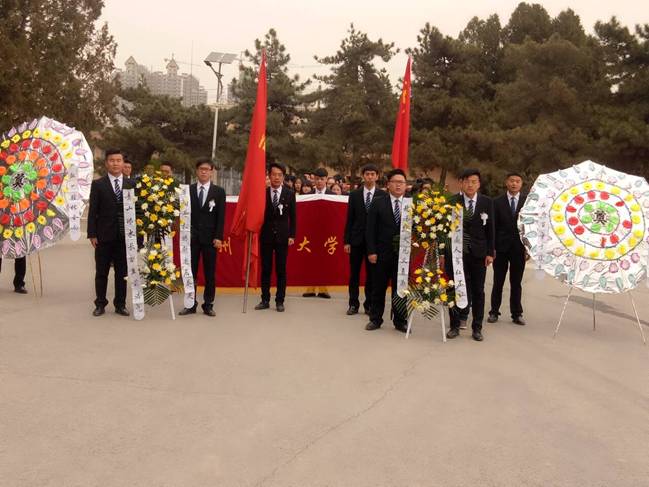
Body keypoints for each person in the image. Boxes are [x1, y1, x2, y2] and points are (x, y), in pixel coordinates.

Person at [444, 168, 495, 341]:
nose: (470, 185)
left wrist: (490, 252)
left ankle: (477, 328)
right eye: (467, 181)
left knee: (478, 291)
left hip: (479, 254)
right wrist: (443, 254)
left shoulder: (487, 202)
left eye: (474, 181)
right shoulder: (452, 202)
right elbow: (444, 230)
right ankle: (454, 325)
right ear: (461, 183)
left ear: (479, 184)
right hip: (456, 254)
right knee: (454, 288)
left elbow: (491, 229)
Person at [87, 149, 134, 317]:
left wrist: (137, 237)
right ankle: (100, 304)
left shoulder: (131, 184)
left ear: (123, 163)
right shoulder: (98, 184)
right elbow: (93, 211)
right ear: (106, 163)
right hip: (103, 236)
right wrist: (92, 234)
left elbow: (137, 212)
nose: (115, 163)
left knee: (122, 273)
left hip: (124, 236)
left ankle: (120, 304)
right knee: (101, 272)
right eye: (112, 160)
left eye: (118, 160)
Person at [179, 159, 226, 317]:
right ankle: (190, 304)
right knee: (190, 273)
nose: (204, 172)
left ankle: (208, 304)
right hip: (191, 239)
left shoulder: (218, 192)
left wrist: (218, 237)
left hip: (210, 239)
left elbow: (221, 217)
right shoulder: (188, 190)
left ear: (211, 172)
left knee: (209, 273)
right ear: (196, 171)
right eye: (201, 169)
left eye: (207, 169)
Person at [365, 168, 409, 332]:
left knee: (401, 289)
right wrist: (371, 251)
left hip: (403, 255)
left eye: (401, 182)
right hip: (381, 253)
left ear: (406, 185)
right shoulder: (378, 202)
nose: (398, 185)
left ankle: (400, 320)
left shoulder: (411, 204)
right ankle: (375, 319)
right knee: (378, 288)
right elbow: (370, 229)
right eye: (395, 182)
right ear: (388, 184)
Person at [255, 163, 296, 312]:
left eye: (279, 175)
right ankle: (265, 299)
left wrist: (292, 235)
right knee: (266, 269)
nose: (276, 177)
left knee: (281, 269)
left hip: (282, 237)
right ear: (269, 176)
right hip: (266, 236)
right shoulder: (263, 193)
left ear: (283, 177)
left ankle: (280, 300)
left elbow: (293, 217)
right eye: (274, 174)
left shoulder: (289, 194)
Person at [344, 164, 385, 316]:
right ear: (363, 176)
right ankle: (353, 304)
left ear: (377, 176)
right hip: (356, 240)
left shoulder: (382, 195)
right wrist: (346, 241)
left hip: (373, 243)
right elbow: (349, 219)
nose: (370, 177)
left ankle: (369, 305)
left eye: (372, 174)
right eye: (367, 174)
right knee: (354, 274)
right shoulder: (354, 194)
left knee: (372, 275)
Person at [488, 172, 528, 326]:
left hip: (519, 248)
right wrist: (492, 248)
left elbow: (530, 227)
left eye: (517, 181)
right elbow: (492, 227)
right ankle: (494, 312)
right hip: (500, 248)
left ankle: (516, 313)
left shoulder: (527, 202)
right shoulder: (496, 202)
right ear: (506, 182)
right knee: (498, 281)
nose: (514, 184)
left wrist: (528, 248)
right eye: (512, 181)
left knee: (516, 283)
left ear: (521, 184)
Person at [303, 167, 333, 298]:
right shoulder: (308, 195)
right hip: (311, 232)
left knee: (325, 260)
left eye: (322, 179)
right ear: (313, 180)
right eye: (317, 179)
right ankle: (310, 288)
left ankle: (323, 288)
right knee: (310, 260)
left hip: (328, 232)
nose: (319, 181)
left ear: (326, 179)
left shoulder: (333, 196)